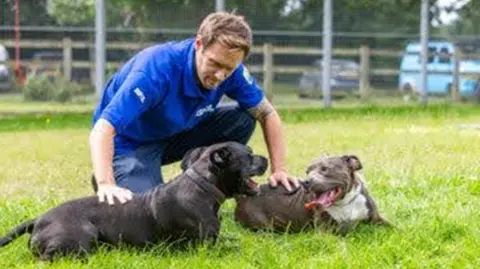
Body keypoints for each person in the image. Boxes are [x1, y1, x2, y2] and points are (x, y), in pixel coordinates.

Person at [90, 11, 299, 205]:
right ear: (199, 44)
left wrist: (279, 169)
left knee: (242, 119)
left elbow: (266, 113)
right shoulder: (154, 70)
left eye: (229, 68)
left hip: (176, 135)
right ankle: (116, 171)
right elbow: (103, 129)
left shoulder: (231, 70)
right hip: (130, 144)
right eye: (215, 64)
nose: (220, 75)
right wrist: (106, 182)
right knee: (153, 210)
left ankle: (208, 184)